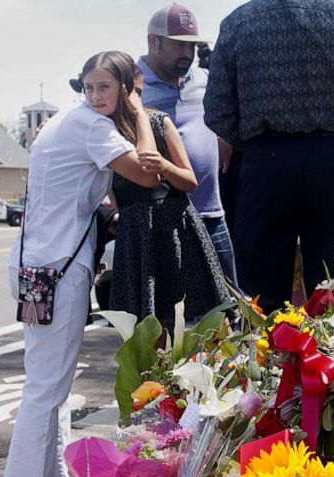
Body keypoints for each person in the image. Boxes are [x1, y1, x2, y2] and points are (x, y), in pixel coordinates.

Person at [0, 51, 159, 477]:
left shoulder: (63, 122)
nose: (94, 96)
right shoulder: (93, 125)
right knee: (45, 388)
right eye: (89, 86)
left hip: (36, 264)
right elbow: (148, 175)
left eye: (103, 87)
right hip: (58, 268)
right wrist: (139, 112)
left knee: (50, 383)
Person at [204, 0, 334, 313]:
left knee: (259, 294)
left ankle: (263, 359)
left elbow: (217, 109)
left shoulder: (237, 23)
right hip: (330, 161)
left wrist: (250, 142)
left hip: (264, 164)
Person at [109, 66, 232, 326]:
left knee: (201, 319)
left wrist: (164, 166)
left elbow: (190, 181)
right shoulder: (104, 133)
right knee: (147, 325)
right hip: (136, 236)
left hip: (174, 230)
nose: (133, 100)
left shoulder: (158, 121)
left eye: (138, 92)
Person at [137, 4, 237, 286]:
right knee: (171, 319)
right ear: (153, 41)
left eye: (192, 46)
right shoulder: (131, 84)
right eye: (179, 45)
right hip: (162, 221)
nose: (188, 53)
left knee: (232, 310)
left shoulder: (205, 80)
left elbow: (230, 109)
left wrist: (225, 136)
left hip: (211, 215)